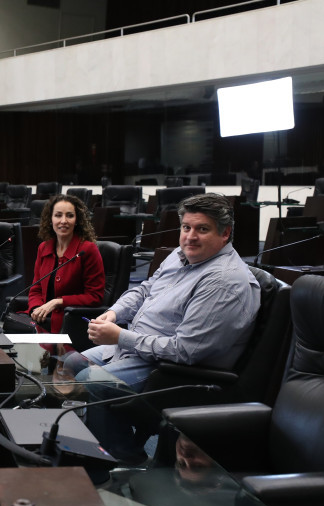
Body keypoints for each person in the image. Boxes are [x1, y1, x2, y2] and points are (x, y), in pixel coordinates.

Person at [64, 193, 260, 460]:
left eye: (202, 229)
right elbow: (144, 290)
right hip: (142, 348)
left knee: (92, 380)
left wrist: (121, 336)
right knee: (71, 362)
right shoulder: (181, 255)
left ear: (225, 234)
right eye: (186, 227)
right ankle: (93, 443)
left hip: (176, 370)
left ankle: (122, 460)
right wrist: (114, 313)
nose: (190, 237)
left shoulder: (223, 281)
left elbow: (186, 351)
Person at [27, 194, 105, 334]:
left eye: (69, 215)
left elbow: (95, 296)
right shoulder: (44, 248)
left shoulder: (87, 250)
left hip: (70, 322)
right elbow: (36, 289)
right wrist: (36, 308)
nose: (63, 221)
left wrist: (58, 302)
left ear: (77, 221)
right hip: (42, 319)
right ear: (50, 220)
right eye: (58, 215)